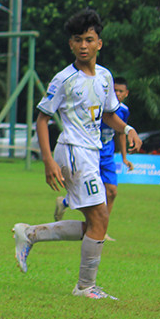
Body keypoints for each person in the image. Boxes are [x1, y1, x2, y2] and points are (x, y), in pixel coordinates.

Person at [13, 8, 142, 299]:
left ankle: (31, 234)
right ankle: (84, 287)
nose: (83, 45)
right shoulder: (63, 79)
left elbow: (109, 115)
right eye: (77, 40)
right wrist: (47, 160)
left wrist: (127, 128)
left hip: (91, 154)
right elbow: (42, 119)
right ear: (70, 44)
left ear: (99, 43)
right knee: (100, 219)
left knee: (97, 222)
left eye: (88, 39)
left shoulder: (106, 77)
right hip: (72, 152)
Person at [53, 76, 134, 235]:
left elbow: (120, 133)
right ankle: (66, 204)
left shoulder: (123, 111)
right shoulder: (98, 107)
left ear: (126, 93)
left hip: (107, 155)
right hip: (90, 152)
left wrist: (124, 157)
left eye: (120, 91)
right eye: (114, 90)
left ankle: (101, 229)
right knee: (89, 192)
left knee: (111, 192)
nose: (117, 93)